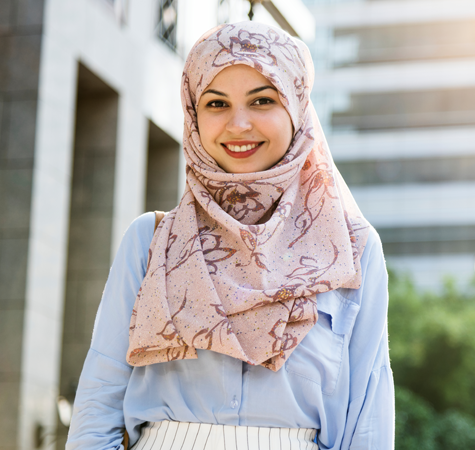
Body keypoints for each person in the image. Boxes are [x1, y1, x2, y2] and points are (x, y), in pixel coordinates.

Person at [66, 21, 394, 450]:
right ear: (194, 117)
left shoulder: (351, 251)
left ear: (297, 111)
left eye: (262, 100)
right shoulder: (150, 241)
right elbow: (97, 405)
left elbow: (368, 420)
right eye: (216, 103)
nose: (239, 124)